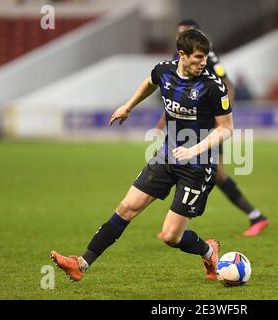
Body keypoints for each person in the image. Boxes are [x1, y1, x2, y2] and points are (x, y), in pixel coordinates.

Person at [51, 28, 233, 281]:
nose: (204, 63)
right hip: (166, 157)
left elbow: (226, 129)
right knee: (127, 207)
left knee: (171, 236)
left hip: (197, 166)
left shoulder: (213, 87)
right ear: (182, 55)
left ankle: (208, 250)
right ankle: (80, 264)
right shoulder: (164, 71)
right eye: (198, 57)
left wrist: (193, 150)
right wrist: (128, 106)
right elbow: (149, 82)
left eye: (205, 58)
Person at [156, 19, 269, 237]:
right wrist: (164, 118)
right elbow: (176, 96)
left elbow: (228, 85)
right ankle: (254, 216)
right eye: (180, 33)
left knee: (210, 173)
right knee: (197, 170)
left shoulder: (208, 58)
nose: (183, 35)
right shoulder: (176, 59)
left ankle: (255, 215)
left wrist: (223, 116)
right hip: (185, 128)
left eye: (187, 32)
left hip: (207, 128)